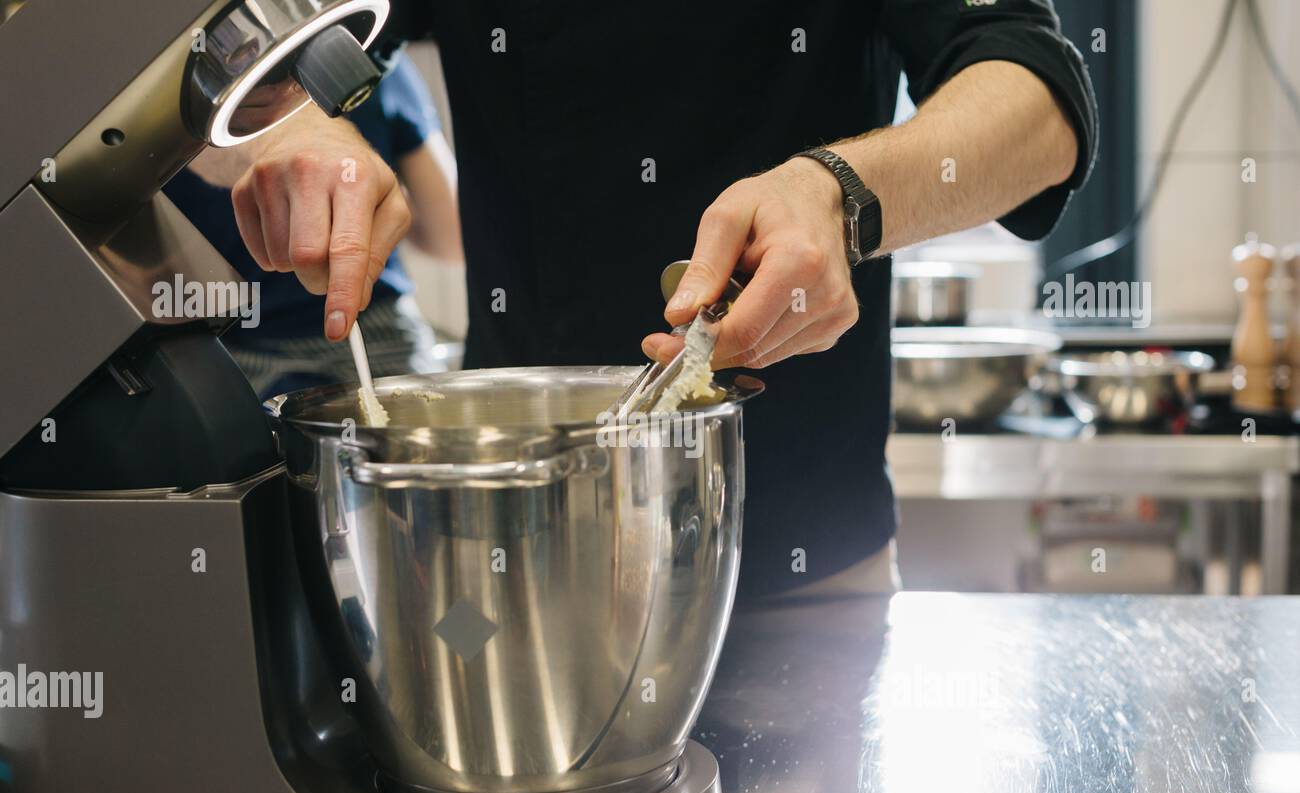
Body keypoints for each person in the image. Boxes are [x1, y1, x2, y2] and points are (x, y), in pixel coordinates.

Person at [191, 0, 1096, 601]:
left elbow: (1038, 98)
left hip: (801, 564)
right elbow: (214, 50)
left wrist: (841, 195)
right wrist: (293, 124)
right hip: (509, 559)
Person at [183, 52, 462, 399]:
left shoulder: (171, 78)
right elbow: (449, 237)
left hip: (224, 349)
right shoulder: (366, 53)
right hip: (376, 332)